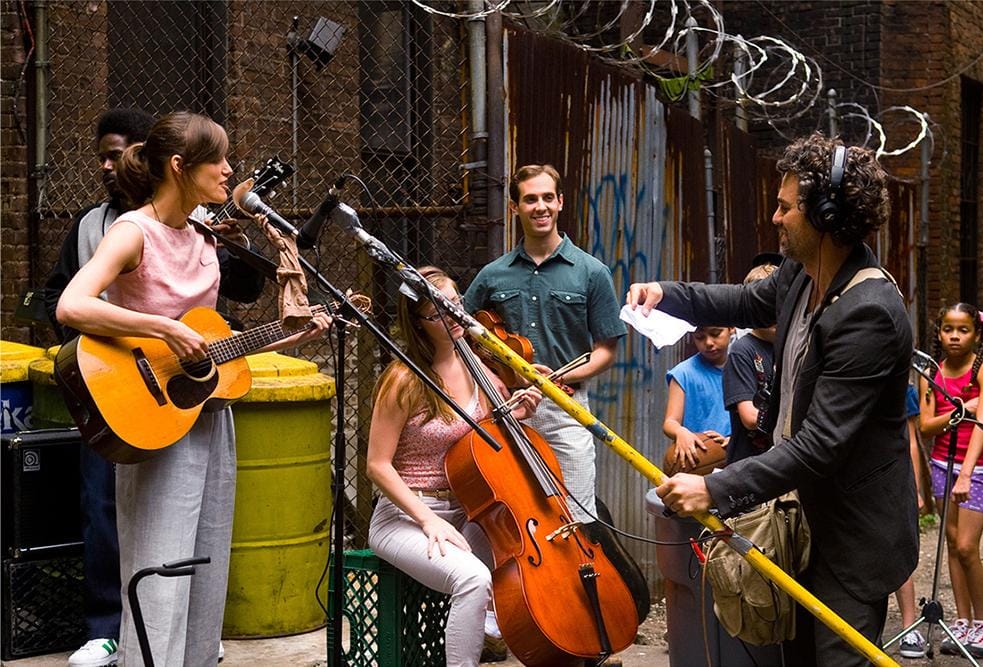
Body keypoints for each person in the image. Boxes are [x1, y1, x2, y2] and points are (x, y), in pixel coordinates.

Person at [629, 133, 919, 665]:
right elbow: (744, 300)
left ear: (826, 215)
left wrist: (716, 486)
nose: (776, 218)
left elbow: (819, 446)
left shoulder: (868, 314)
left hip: (850, 536)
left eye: (786, 207)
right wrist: (667, 293)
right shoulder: (800, 274)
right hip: (799, 517)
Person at [55, 111, 332, 667]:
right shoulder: (131, 231)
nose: (230, 171)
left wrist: (293, 334)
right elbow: (72, 304)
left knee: (206, 562)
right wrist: (164, 327)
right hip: (148, 415)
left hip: (208, 413)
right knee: (160, 562)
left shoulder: (204, 236)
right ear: (180, 167)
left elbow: (215, 351)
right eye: (219, 161)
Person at [365, 266, 541, 667]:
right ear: (419, 323)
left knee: (521, 555)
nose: (454, 314)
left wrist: (520, 414)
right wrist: (428, 519)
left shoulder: (479, 369)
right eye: (439, 310)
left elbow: (488, 443)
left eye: (457, 304)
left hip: (469, 508)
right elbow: (377, 465)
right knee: (473, 578)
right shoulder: (403, 380)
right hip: (407, 516)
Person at [463, 163, 627, 524]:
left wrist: (560, 379)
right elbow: (459, 333)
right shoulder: (492, 275)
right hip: (507, 408)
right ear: (514, 208)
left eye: (548, 198)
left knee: (577, 517)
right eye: (530, 199)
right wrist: (495, 377)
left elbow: (606, 350)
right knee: (517, 516)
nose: (540, 207)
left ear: (561, 202)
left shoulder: (591, 272)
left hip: (566, 408)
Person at [918, 303, 983, 658]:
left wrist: (966, 474)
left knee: (967, 547)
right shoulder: (931, 373)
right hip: (941, 463)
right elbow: (925, 426)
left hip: (976, 467)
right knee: (950, 543)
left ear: (976, 335)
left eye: (963, 330)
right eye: (948, 329)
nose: (954, 336)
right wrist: (962, 409)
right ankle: (963, 621)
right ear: (939, 333)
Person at [722, 256, 779, 465]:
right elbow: (749, 417)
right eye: (766, 307)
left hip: (782, 463)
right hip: (748, 465)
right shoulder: (742, 351)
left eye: (778, 304)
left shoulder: (792, 345)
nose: (774, 313)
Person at [661, 325, 733, 471]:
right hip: (695, 460)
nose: (708, 343)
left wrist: (736, 440)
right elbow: (670, 422)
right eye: (699, 337)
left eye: (715, 333)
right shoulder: (683, 373)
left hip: (736, 461)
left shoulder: (744, 368)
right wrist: (680, 432)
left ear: (731, 328)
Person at [896, 383, 927, 659]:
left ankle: (909, 626)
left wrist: (915, 488)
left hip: (894, 480)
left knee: (898, 552)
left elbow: (912, 442)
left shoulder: (904, 389)